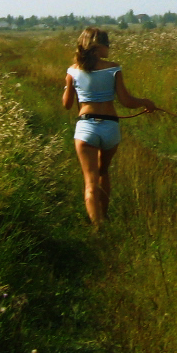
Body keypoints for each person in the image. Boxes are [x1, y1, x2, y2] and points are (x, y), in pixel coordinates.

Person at [62, 27, 157, 227]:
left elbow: (67, 104)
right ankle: (104, 216)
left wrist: (67, 84)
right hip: (110, 127)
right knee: (103, 172)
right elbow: (126, 101)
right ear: (100, 47)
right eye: (108, 45)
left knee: (90, 181)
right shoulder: (113, 68)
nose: (110, 48)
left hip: (86, 127)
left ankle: (98, 227)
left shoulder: (72, 71)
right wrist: (145, 102)